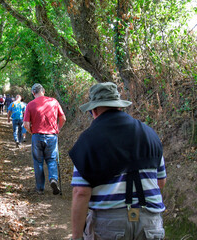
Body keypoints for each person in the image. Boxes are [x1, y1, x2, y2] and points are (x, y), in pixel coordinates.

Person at [68, 82, 167, 240]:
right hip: (150, 223)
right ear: (119, 106)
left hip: (109, 225)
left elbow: (81, 192)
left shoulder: (88, 140)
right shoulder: (150, 134)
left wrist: (76, 237)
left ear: (94, 110)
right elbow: (160, 182)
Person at [23, 83, 66, 195]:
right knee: (52, 160)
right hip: (52, 135)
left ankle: (40, 188)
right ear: (44, 91)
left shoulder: (30, 105)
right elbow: (63, 118)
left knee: (38, 162)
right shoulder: (53, 102)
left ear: (33, 93)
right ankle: (53, 179)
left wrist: (32, 132)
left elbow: (26, 124)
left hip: (37, 136)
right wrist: (58, 129)